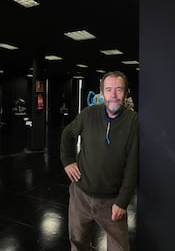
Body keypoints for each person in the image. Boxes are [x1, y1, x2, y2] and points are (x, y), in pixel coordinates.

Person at [60, 71, 139, 251]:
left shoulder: (133, 122)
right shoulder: (88, 114)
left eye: (118, 90)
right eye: (108, 90)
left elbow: (132, 166)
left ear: (126, 93)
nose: (113, 95)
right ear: (101, 93)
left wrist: (123, 201)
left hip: (112, 201)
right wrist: (67, 160)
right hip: (80, 196)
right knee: (78, 242)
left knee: (120, 247)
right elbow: (67, 134)